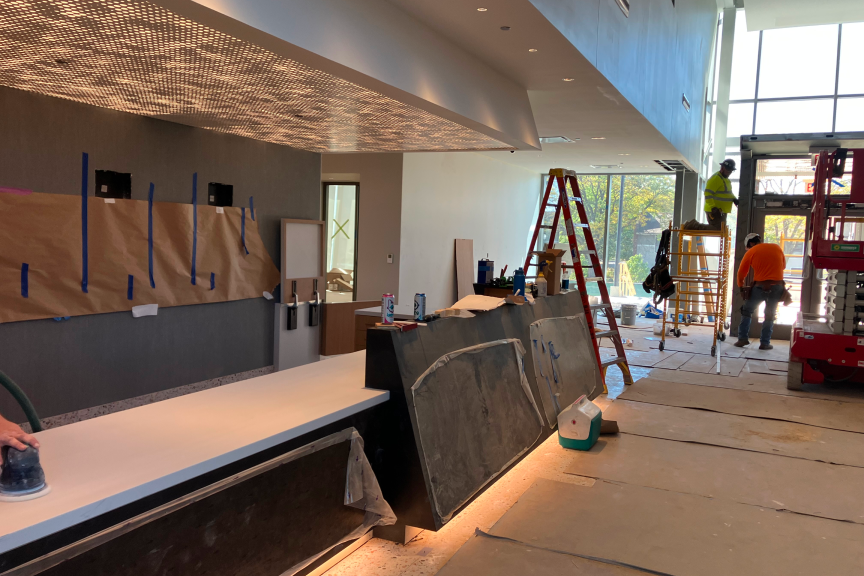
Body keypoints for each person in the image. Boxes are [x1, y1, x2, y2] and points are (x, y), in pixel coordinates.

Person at [734, 233, 786, 350]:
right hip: (777, 286)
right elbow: (783, 266)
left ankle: (742, 339)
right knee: (770, 314)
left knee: (747, 310)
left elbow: (741, 272)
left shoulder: (751, 252)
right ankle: (765, 343)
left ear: (751, 243)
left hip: (759, 287)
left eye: (749, 246)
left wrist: (741, 286)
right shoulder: (777, 247)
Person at [683, 159, 739, 231]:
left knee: (721, 230)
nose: (730, 172)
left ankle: (693, 225)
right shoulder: (716, 178)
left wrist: (734, 199)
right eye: (728, 170)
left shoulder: (726, 180)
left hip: (721, 211)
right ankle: (693, 225)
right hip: (714, 210)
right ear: (722, 168)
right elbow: (708, 193)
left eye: (731, 170)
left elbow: (728, 194)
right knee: (717, 229)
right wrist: (713, 208)